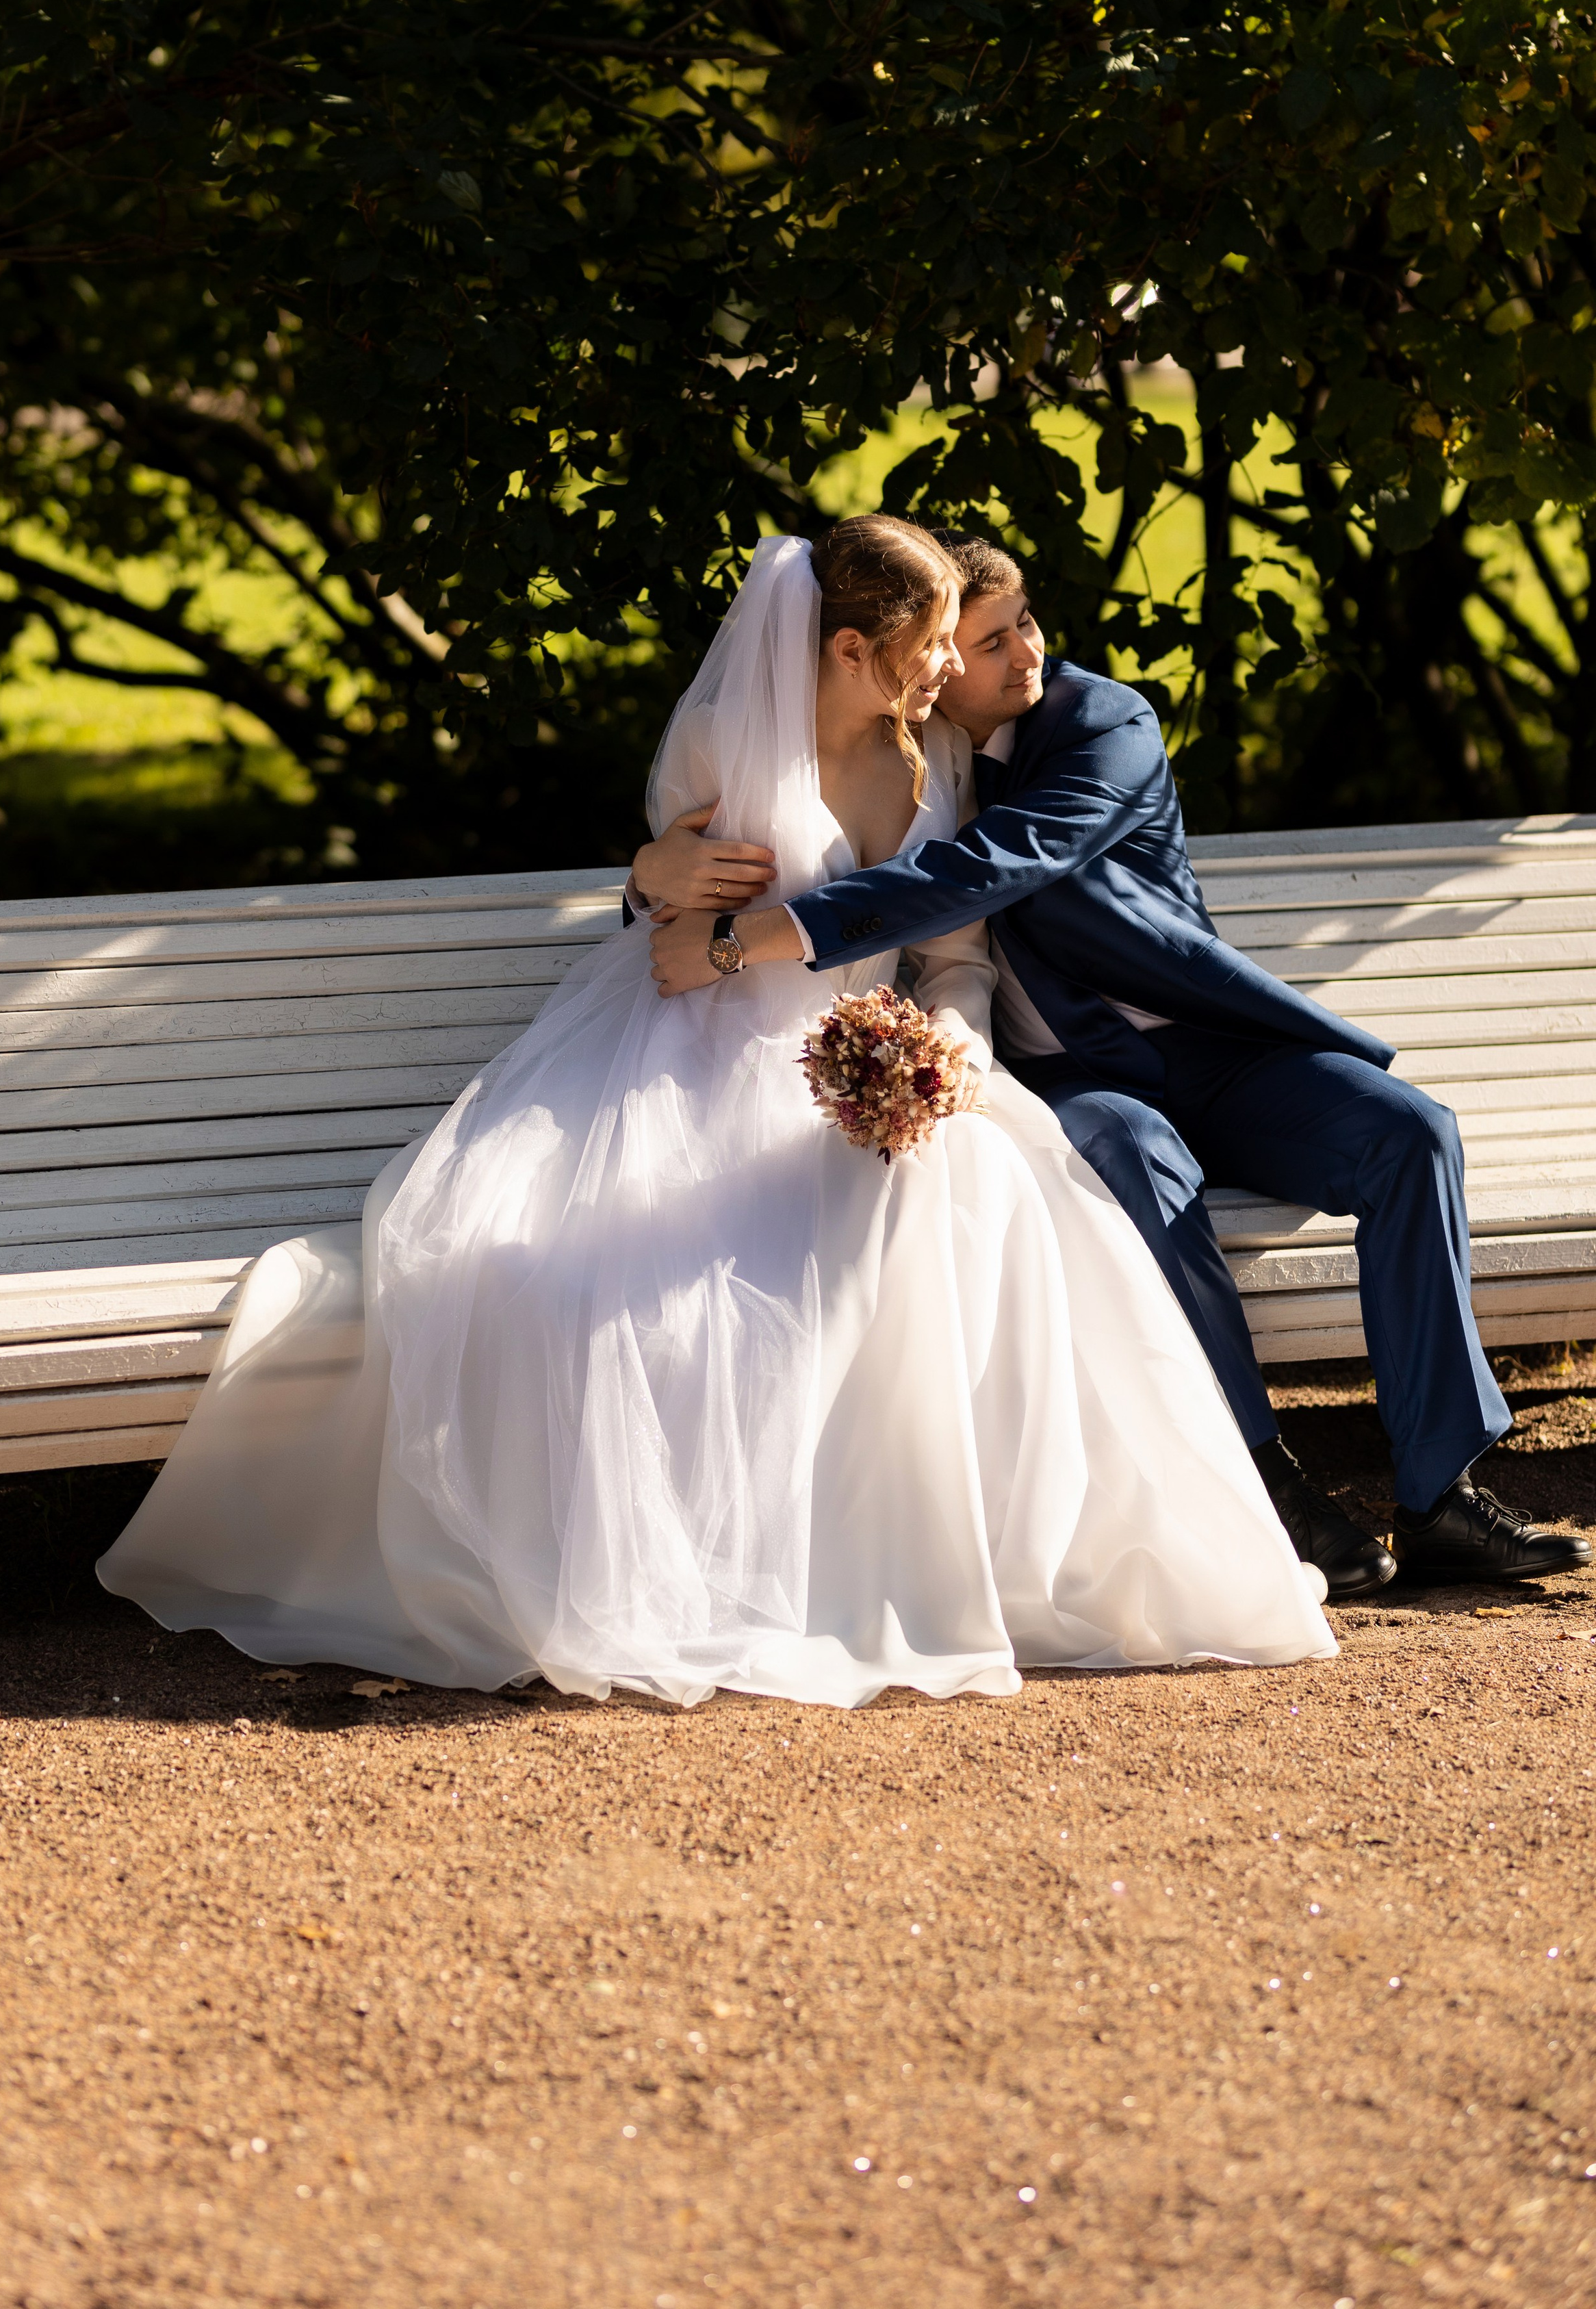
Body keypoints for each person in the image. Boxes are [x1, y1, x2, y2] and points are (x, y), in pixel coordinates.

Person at [99, 521, 1333, 1704]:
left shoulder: (938, 751)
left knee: (992, 1207)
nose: (952, 670)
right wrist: (654, 881)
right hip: (695, 1047)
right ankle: (721, 1576)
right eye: (930, 648)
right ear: (850, 649)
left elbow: (954, 951)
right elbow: (671, 923)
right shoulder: (723, 737)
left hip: (879, 1049)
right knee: (627, 1275)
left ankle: (945, 1559)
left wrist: (948, 1050)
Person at [645, 532, 1592, 1603]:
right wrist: (652, 874)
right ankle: (1267, 1485)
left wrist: (748, 936)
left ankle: (1441, 1496)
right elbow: (773, 824)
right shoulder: (919, 744)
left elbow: (993, 868)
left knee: (1409, 1132)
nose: (1026, 654)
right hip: (1076, 1079)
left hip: (1214, 1057)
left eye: (1025, 625)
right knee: (1138, 1159)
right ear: (936, 667)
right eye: (988, 641)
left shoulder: (1103, 723)